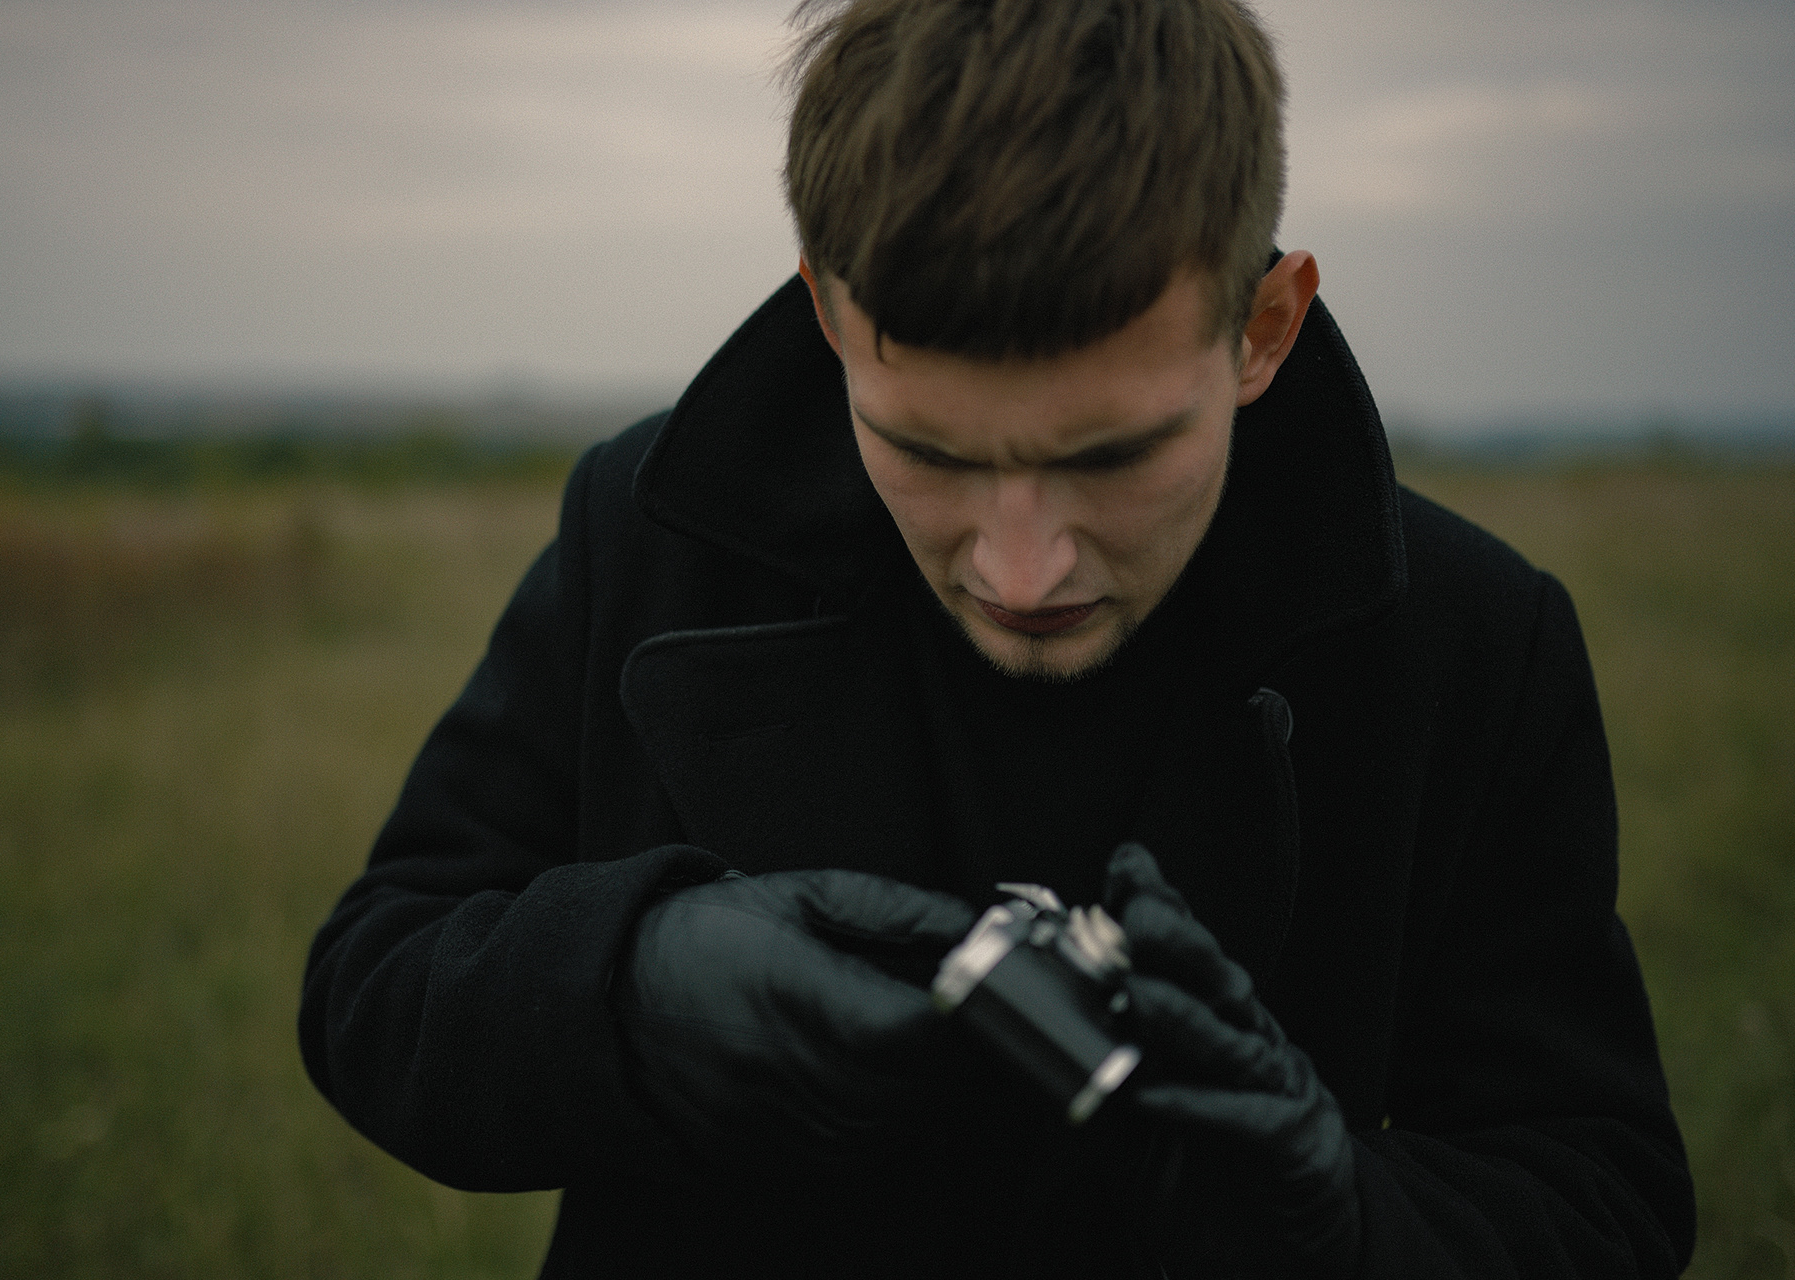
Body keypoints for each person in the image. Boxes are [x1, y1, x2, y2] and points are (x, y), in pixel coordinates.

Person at [299, 0, 1696, 1274]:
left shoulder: (1474, 640)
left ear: (1262, 330)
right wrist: (634, 988)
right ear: (826, 313)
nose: (1022, 569)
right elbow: (373, 986)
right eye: (930, 451)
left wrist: (1341, 1210)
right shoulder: (648, 529)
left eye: (1114, 456)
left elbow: (1599, 1194)